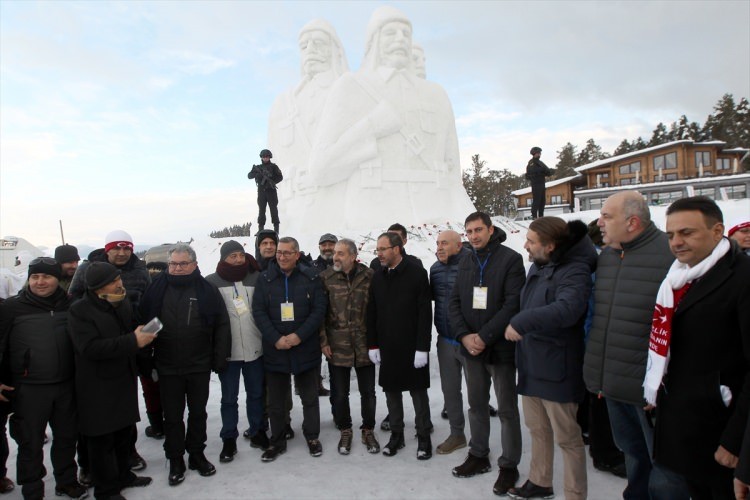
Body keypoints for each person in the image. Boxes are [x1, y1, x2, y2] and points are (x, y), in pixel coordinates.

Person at [307, 6, 475, 229]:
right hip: (371, 217)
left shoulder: (436, 94)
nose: (400, 39)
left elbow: (452, 168)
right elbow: (321, 169)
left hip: (436, 213)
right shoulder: (350, 87)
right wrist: (371, 127)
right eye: (391, 33)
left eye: (406, 34)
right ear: (373, 41)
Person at [583, 191, 689, 500]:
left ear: (632, 222)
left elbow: (683, 330)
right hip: (615, 385)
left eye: (607, 216)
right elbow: (603, 321)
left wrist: (664, 384)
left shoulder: (670, 257)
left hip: (653, 393)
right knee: (633, 456)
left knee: (667, 470)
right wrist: (599, 377)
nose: (600, 222)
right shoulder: (609, 256)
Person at [645, 196, 750, 499]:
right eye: (671, 235)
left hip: (718, 432)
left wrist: (735, 441)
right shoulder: (676, 276)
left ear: (718, 231)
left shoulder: (741, 278)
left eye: (687, 232)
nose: (676, 242)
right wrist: (655, 383)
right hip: (678, 421)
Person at [504, 218, 596, 500]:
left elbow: (568, 309)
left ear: (551, 245)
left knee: (568, 439)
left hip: (557, 367)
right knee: (538, 430)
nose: (526, 245)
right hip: (531, 364)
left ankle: (574, 494)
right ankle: (540, 482)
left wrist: (522, 322)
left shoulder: (575, 270)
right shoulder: (539, 266)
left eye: (531, 241)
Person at [139, 244, 231, 486]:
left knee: (198, 413)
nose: (177, 269)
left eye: (183, 264)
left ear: (194, 264)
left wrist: (219, 356)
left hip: (199, 363)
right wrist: (146, 358)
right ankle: (176, 458)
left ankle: (197, 454)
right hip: (168, 364)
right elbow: (146, 324)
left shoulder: (206, 290)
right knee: (172, 416)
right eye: (173, 264)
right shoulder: (156, 289)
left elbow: (221, 324)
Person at [448, 211, 525, 496]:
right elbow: (454, 301)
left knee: (506, 410)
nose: (474, 236)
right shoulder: (465, 259)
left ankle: (509, 465)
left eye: (479, 230)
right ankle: (478, 454)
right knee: (476, 405)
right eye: (469, 232)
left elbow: (512, 303)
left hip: (500, 348)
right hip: (472, 349)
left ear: (491, 230)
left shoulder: (511, 259)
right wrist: (465, 336)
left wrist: (484, 336)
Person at [0, 258, 86, 500]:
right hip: (29, 388)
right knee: (30, 442)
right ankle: (32, 489)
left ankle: (67, 481)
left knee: (67, 437)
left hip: (66, 384)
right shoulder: (11, 308)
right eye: (34, 277)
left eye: (46, 277)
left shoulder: (70, 305)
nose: (40, 282)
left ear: (57, 279)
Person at [68, 262, 155, 499]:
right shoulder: (80, 311)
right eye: (113, 281)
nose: (119, 283)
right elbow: (89, 348)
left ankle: (124, 475)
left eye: (118, 278)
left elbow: (125, 333)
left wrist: (140, 334)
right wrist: (133, 341)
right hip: (97, 386)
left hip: (123, 379)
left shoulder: (121, 301)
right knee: (102, 441)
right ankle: (106, 491)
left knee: (123, 434)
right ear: (97, 287)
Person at [268, 18, 349, 230]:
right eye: (304, 45)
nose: (310, 49)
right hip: (294, 205)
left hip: (338, 205)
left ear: (334, 50)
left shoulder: (350, 92)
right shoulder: (284, 103)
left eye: (319, 43)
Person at [252, 237, 327, 462]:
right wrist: (276, 338)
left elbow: (319, 309)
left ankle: (312, 436)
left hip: (305, 347)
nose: (282, 257)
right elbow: (259, 311)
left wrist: (298, 336)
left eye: (287, 253)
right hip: (276, 348)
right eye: (279, 253)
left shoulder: (311, 277)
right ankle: (277, 440)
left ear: (297, 254)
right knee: (276, 400)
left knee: (309, 397)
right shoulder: (265, 279)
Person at [367, 231, 432, 460]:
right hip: (388, 346)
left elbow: (425, 314)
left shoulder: (417, 273)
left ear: (396, 249)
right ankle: (397, 435)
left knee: (418, 394)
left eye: (383, 249)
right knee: (391, 393)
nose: (379, 254)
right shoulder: (378, 276)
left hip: (413, 347)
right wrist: (373, 344)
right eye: (378, 249)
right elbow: (372, 312)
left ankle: (424, 435)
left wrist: (423, 347)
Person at [205, 241, 269, 461]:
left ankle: (257, 431)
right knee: (229, 398)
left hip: (255, 347)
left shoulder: (255, 278)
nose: (239, 260)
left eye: (241, 255)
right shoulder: (211, 283)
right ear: (223, 258)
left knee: (256, 394)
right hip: (228, 351)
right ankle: (229, 438)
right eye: (233, 256)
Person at [319, 238, 380, 455]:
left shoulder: (369, 277)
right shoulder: (326, 278)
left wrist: (377, 342)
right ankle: (345, 429)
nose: (335, 256)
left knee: (368, 392)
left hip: (364, 345)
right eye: (335, 253)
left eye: (341, 253)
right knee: (340, 393)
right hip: (337, 346)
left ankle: (368, 429)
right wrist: (323, 341)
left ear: (353, 257)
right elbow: (320, 313)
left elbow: (377, 310)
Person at [430, 230, 471, 455]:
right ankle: (457, 434)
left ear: (458, 245)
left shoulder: (471, 266)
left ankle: (481, 440)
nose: (440, 247)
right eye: (437, 243)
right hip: (445, 340)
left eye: (444, 243)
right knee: (450, 391)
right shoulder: (434, 270)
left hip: (468, 339)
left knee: (476, 392)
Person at [248, 149, 283, 233]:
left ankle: (276, 229)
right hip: (261, 192)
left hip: (271, 191)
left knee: (273, 209)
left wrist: (272, 182)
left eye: (267, 156)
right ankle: (260, 229)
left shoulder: (274, 167)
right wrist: (257, 175)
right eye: (264, 157)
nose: (265, 158)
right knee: (261, 210)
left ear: (269, 157)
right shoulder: (258, 167)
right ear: (261, 157)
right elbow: (249, 175)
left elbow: (280, 177)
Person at [525, 147, 552, 219]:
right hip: (536, 184)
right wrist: (542, 171)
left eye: (540, 153)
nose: (540, 154)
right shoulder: (531, 163)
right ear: (534, 153)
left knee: (542, 201)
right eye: (538, 153)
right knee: (537, 200)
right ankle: (534, 216)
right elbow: (532, 172)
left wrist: (548, 172)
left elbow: (547, 171)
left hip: (542, 183)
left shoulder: (540, 163)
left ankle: (541, 216)